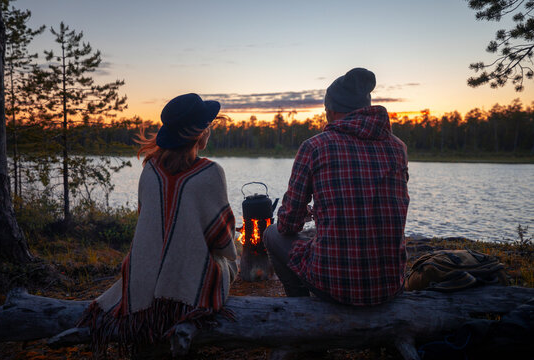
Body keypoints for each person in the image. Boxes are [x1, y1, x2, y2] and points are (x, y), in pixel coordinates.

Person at [78, 93, 238, 353]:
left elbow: (149, 226)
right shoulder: (211, 173)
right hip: (186, 298)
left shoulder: (150, 169)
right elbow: (222, 243)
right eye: (208, 125)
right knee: (232, 262)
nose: (210, 129)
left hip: (140, 283)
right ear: (199, 133)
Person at [264, 68, 409, 306]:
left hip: (335, 286)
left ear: (331, 110)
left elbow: (289, 223)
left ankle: (301, 310)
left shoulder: (315, 147)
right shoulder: (397, 148)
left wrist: (301, 214)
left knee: (271, 234)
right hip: (389, 285)